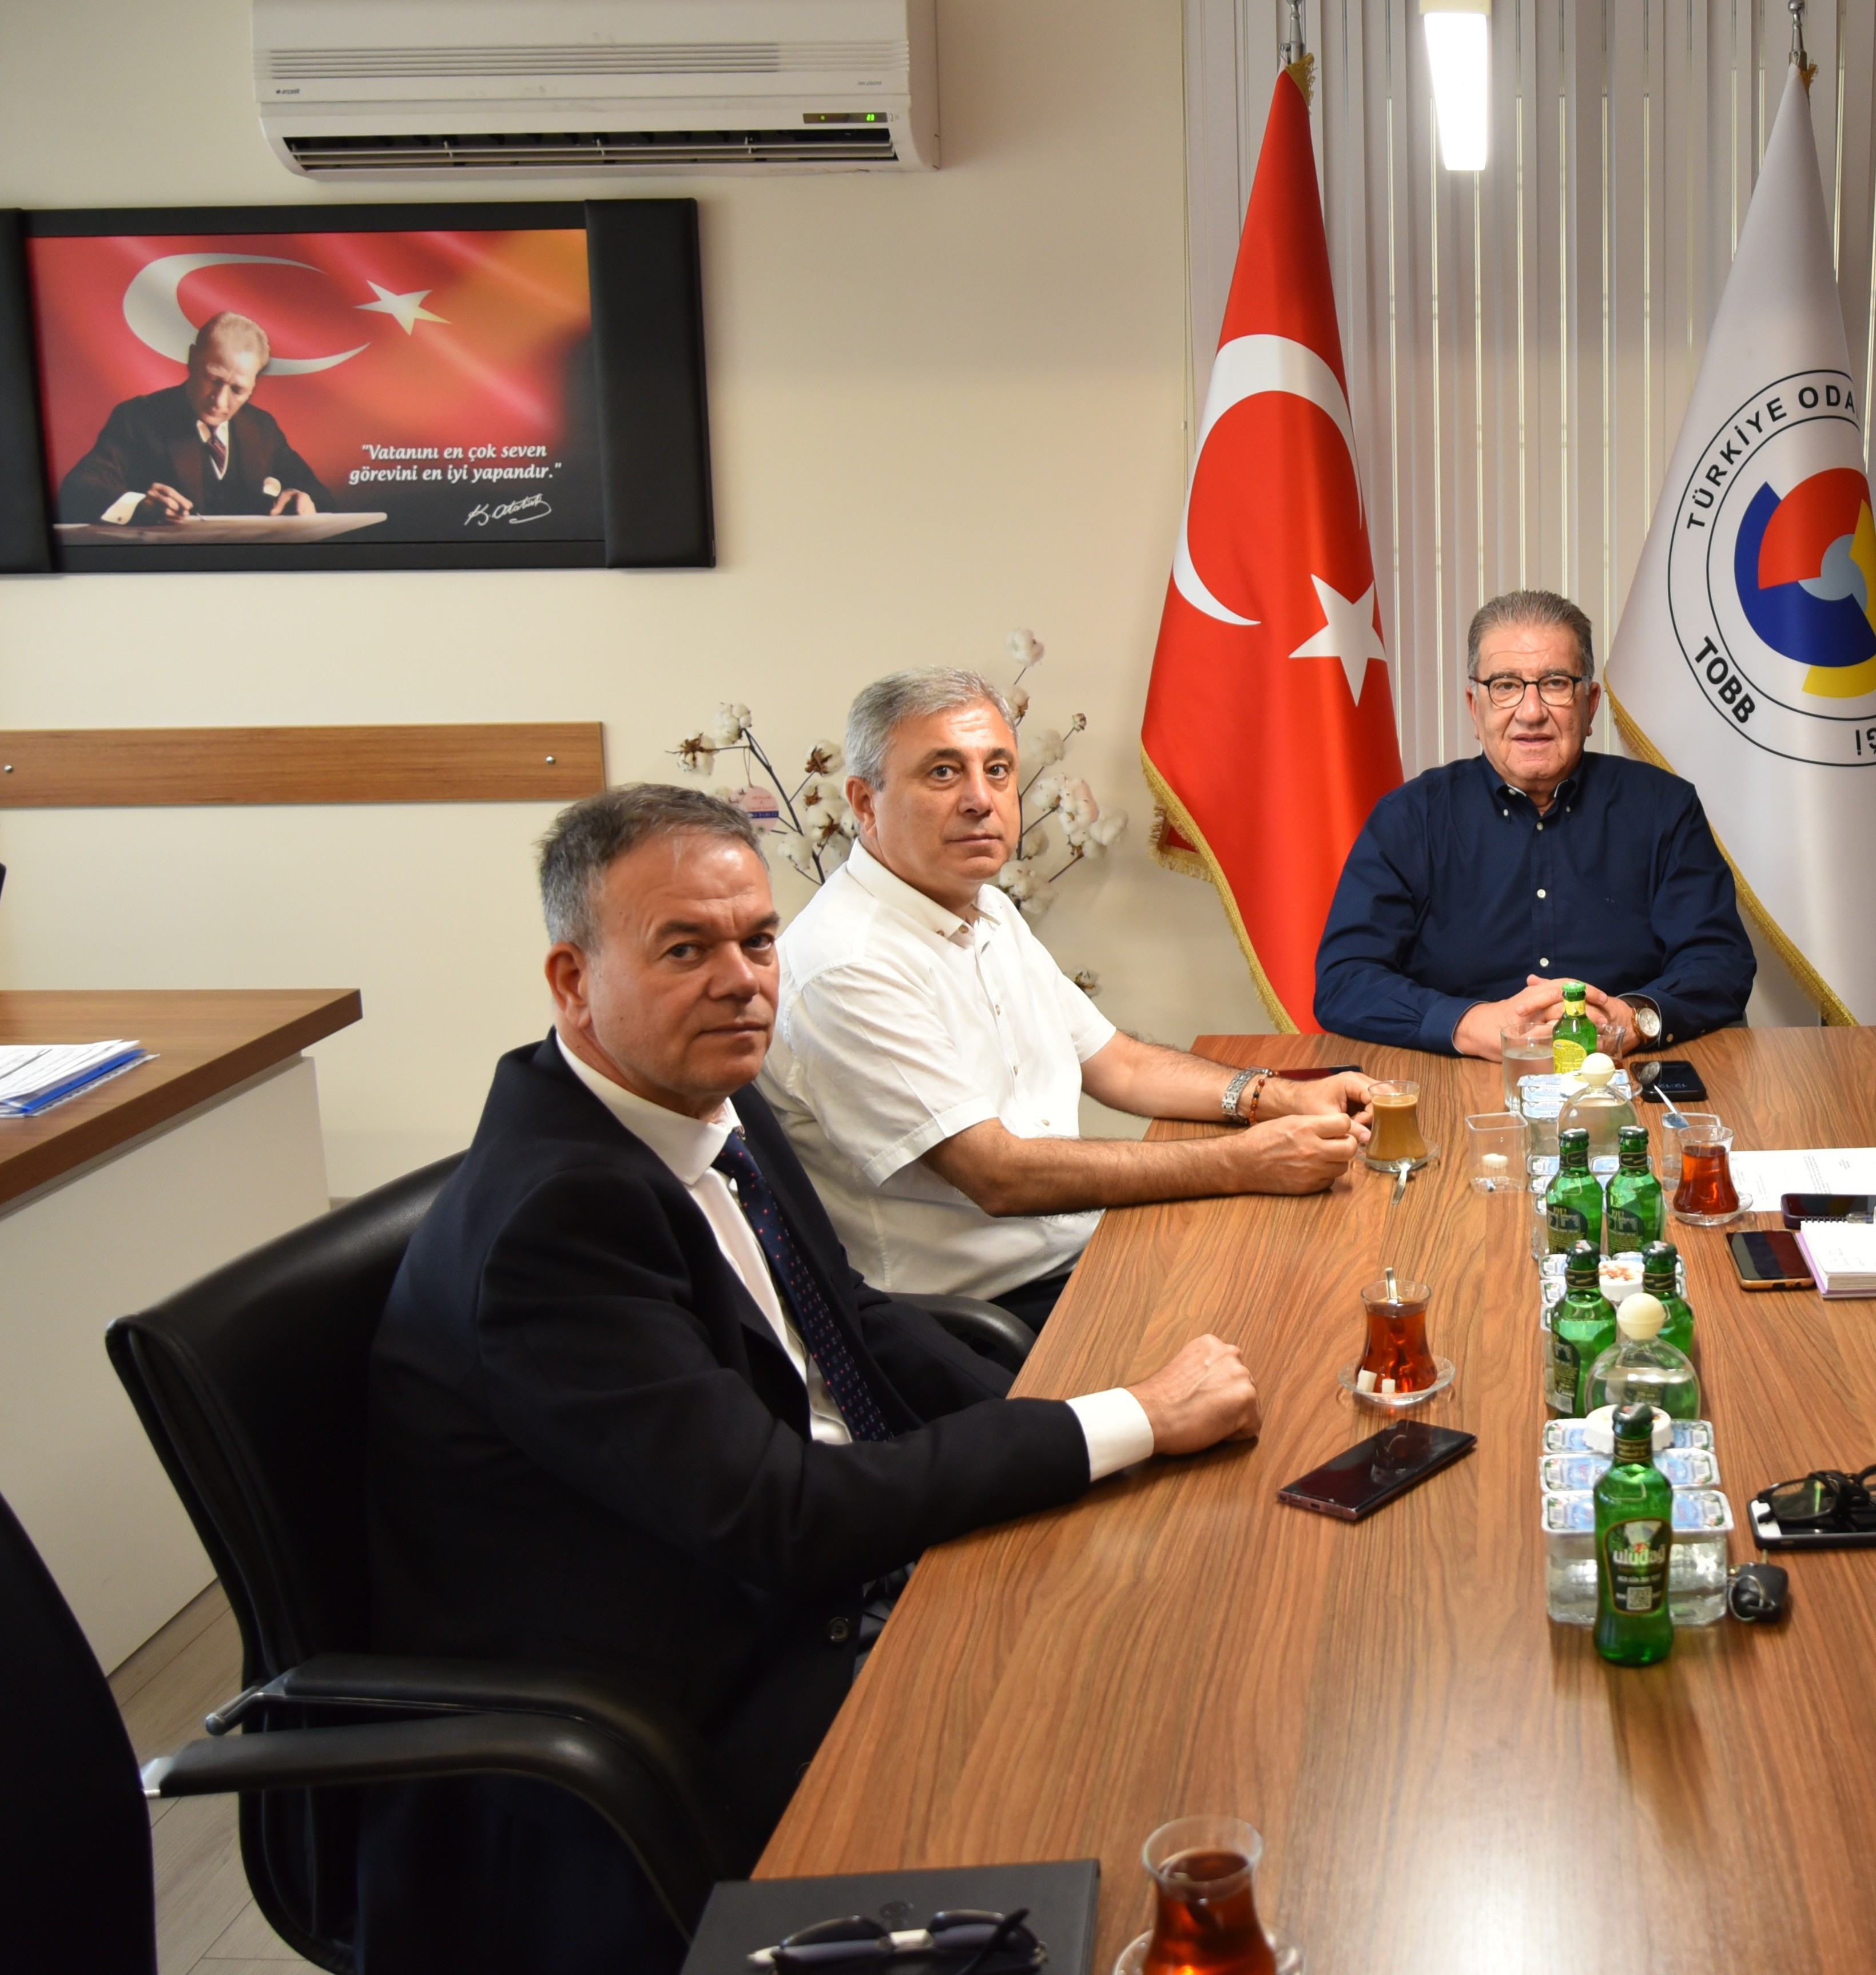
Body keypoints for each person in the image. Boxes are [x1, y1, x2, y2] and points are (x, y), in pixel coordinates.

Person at [361, 786, 1265, 1975]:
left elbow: (850, 1317)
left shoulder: (704, 1097)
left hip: (808, 1572)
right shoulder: (554, 1221)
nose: (741, 981)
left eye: (757, 939)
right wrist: (1121, 1420)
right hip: (691, 1698)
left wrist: (1074, 1425)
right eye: (684, 949)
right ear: (572, 981)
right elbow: (781, 1519)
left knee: (1183, 1614)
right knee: (1126, 1748)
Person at [763, 669, 1372, 1334]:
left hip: (1081, 1251)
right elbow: (999, 1175)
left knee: (1339, 1274)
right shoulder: (846, 963)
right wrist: (1245, 1161)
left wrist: (1277, 1097)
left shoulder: (988, 907)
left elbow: (1120, 1065)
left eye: (997, 770)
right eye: (942, 772)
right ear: (864, 801)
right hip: (986, 1317)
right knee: (1302, 1324)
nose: (980, 799)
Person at [1311, 589, 1756, 1058]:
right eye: (1505, 685)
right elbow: (1345, 979)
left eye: (1556, 683)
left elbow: (1720, 961)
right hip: (1456, 1078)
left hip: (1623, 1072)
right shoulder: (1408, 819)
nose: (1531, 712)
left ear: (1590, 704)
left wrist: (1635, 1019)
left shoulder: (1666, 809)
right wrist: (1468, 1024)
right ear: (1474, 707)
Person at [54, 311, 333, 524]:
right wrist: (139, 506)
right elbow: (78, 490)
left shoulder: (262, 427)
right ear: (191, 359)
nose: (220, 401)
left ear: (253, 386)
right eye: (213, 379)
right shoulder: (137, 418)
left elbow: (323, 499)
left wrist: (304, 500)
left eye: (237, 390)